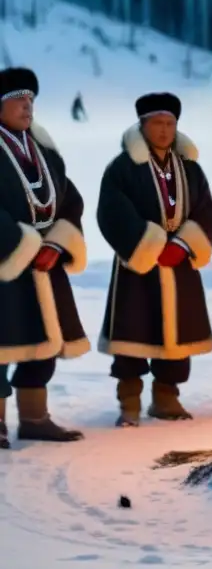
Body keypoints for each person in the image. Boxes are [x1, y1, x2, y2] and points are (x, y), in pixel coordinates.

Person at [96, 92, 212, 426]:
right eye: (156, 123)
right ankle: (129, 404)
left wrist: (183, 244)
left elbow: (205, 209)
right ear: (143, 125)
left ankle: (166, 399)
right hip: (139, 265)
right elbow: (112, 211)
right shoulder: (123, 168)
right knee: (133, 331)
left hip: (179, 264)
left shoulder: (190, 169)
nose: (164, 130)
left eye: (170, 123)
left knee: (178, 335)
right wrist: (148, 245)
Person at [0, 67, 90, 447]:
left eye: (31, 99)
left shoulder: (43, 149)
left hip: (45, 262)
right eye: (19, 99)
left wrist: (57, 244)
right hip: (7, 261)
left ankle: (35, 417)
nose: (27, 106)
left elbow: (69, 199)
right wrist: (24, 246)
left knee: (43, 343)